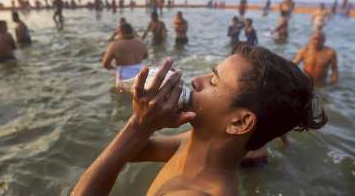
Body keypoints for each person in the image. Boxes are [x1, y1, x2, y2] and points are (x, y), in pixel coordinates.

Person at [73, 44, 327, 196]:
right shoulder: (192, 142)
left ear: (239, 122)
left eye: (213, 81)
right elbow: (131, 150)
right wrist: (146, 120)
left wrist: (138, 127)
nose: (196, 80)